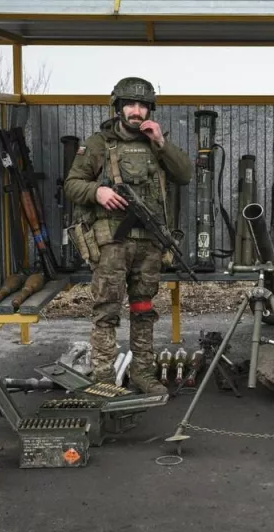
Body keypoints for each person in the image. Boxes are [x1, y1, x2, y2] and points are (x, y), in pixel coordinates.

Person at [63, 76, 193, 393]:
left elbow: (185, 175)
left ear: (150, 110)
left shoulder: (157, 142)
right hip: (112, 242)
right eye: (131, 105)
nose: (137, 111)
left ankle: (143, 374)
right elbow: (71, 184)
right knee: (107, 310)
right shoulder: (97, 144)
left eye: (143, 106)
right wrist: (98, 192)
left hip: (149, 241)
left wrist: (161, 142)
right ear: (119, 107)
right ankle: (104, 379)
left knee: (143, 308)